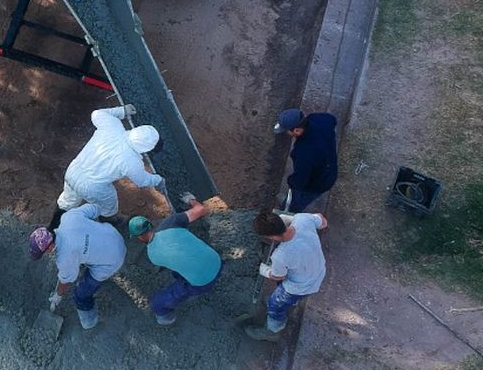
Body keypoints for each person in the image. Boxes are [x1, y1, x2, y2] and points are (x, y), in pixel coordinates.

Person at [55, 104, 162, 223]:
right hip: (93, 187)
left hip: (73, 171)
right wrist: (158, 180)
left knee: (67, 201)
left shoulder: (113, 126)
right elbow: (142, 180)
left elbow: (97, 114)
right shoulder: (132, 161)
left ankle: (52, 228)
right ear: (145, 148)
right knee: (109, 205)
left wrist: (122, 111)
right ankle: (109, 221)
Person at [128, 193, 222, 326]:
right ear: (150, 225)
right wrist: (191, 200)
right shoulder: (171, 222)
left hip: (203, 283)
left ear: (138, 237)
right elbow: (202, 209)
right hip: (216, 260)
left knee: (158, 303)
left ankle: (165, 317)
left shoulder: (153, 256)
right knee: (180, 267)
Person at [28, 203, 126, 332]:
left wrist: (58, 295)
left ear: (50, 247)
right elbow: (95, 208)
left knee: (80, 294)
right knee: (82, 256)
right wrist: (86, 231)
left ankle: (89, 321)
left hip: (113, 260)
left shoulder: (64, 258)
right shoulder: (68, 217)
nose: (46, 254)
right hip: (114, 235)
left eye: (44, 252)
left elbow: (67, 280)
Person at [241, 209, 328, 341]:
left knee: (275, 305)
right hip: (317, 270)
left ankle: (273, 332)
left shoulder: (281, 256)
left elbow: (278, 276)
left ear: (272, 238)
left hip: (300, 286)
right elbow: (323, 221)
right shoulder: (303, 219)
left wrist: (264, 270)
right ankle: (289, 304)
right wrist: (294, 220)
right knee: (284, 298)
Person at [273, 107, 339, 213]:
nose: (286, 133)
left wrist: (291, 182)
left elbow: (300, 180)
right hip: (329, 165)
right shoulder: (317, 119)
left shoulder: (303, 152)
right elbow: (332, 119)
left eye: (286, 131)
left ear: (296, 130)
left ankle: (288, 212)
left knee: (296, 201)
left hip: (318, 182)